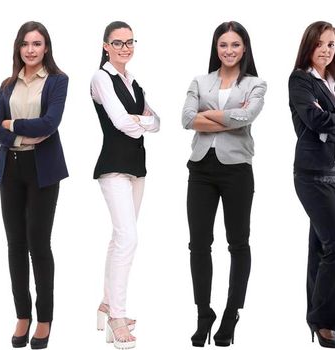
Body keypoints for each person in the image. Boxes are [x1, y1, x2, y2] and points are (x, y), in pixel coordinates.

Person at [181, 20, 266, 347]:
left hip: (237, 171)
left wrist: (209, 116)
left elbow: (247, 118)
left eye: (234, 45)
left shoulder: (256, 84)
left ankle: (231, 312)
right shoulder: (200, 81)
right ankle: (204, 313)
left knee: (238, 243)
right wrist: (229, 116)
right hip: (201, 169)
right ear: (216, 49)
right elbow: (187, 119)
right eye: (223, 45)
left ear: (244, 48)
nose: (229, 51)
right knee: (198, 244)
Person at [0, 21, 68, 350]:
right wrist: (22, 133)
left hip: (42, 170)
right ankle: (23, 314)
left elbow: (50, 123)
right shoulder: (8, 84)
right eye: (25, 44)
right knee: (15, 245)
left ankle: (44, 317)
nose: (31, 49)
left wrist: (12, 124)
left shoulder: (58, 81)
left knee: (39, 243)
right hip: (11, 170)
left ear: (46, 47)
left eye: (37, 43)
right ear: (18, 48)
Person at [289, 20, 335, 349]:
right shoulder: (300, 80)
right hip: (310, 175)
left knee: (320, 249)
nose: (326, 50)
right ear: (309, 45)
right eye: (320, 44)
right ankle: (323, 322)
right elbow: (314, 120)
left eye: (331, 44)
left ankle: (317, 320)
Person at [91, 20, 160, 350]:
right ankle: (118, 316)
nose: (124, 47)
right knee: (128, 238)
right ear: (106, 45)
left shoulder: (134, 82)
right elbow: (120, 122)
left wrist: (140, 122)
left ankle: (107, 303)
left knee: (121, 239)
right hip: (113, 169)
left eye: (129, 42)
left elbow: (157, 122)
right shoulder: (100, 78)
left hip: (137, 169)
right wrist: (138, 123)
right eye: (117, 43)